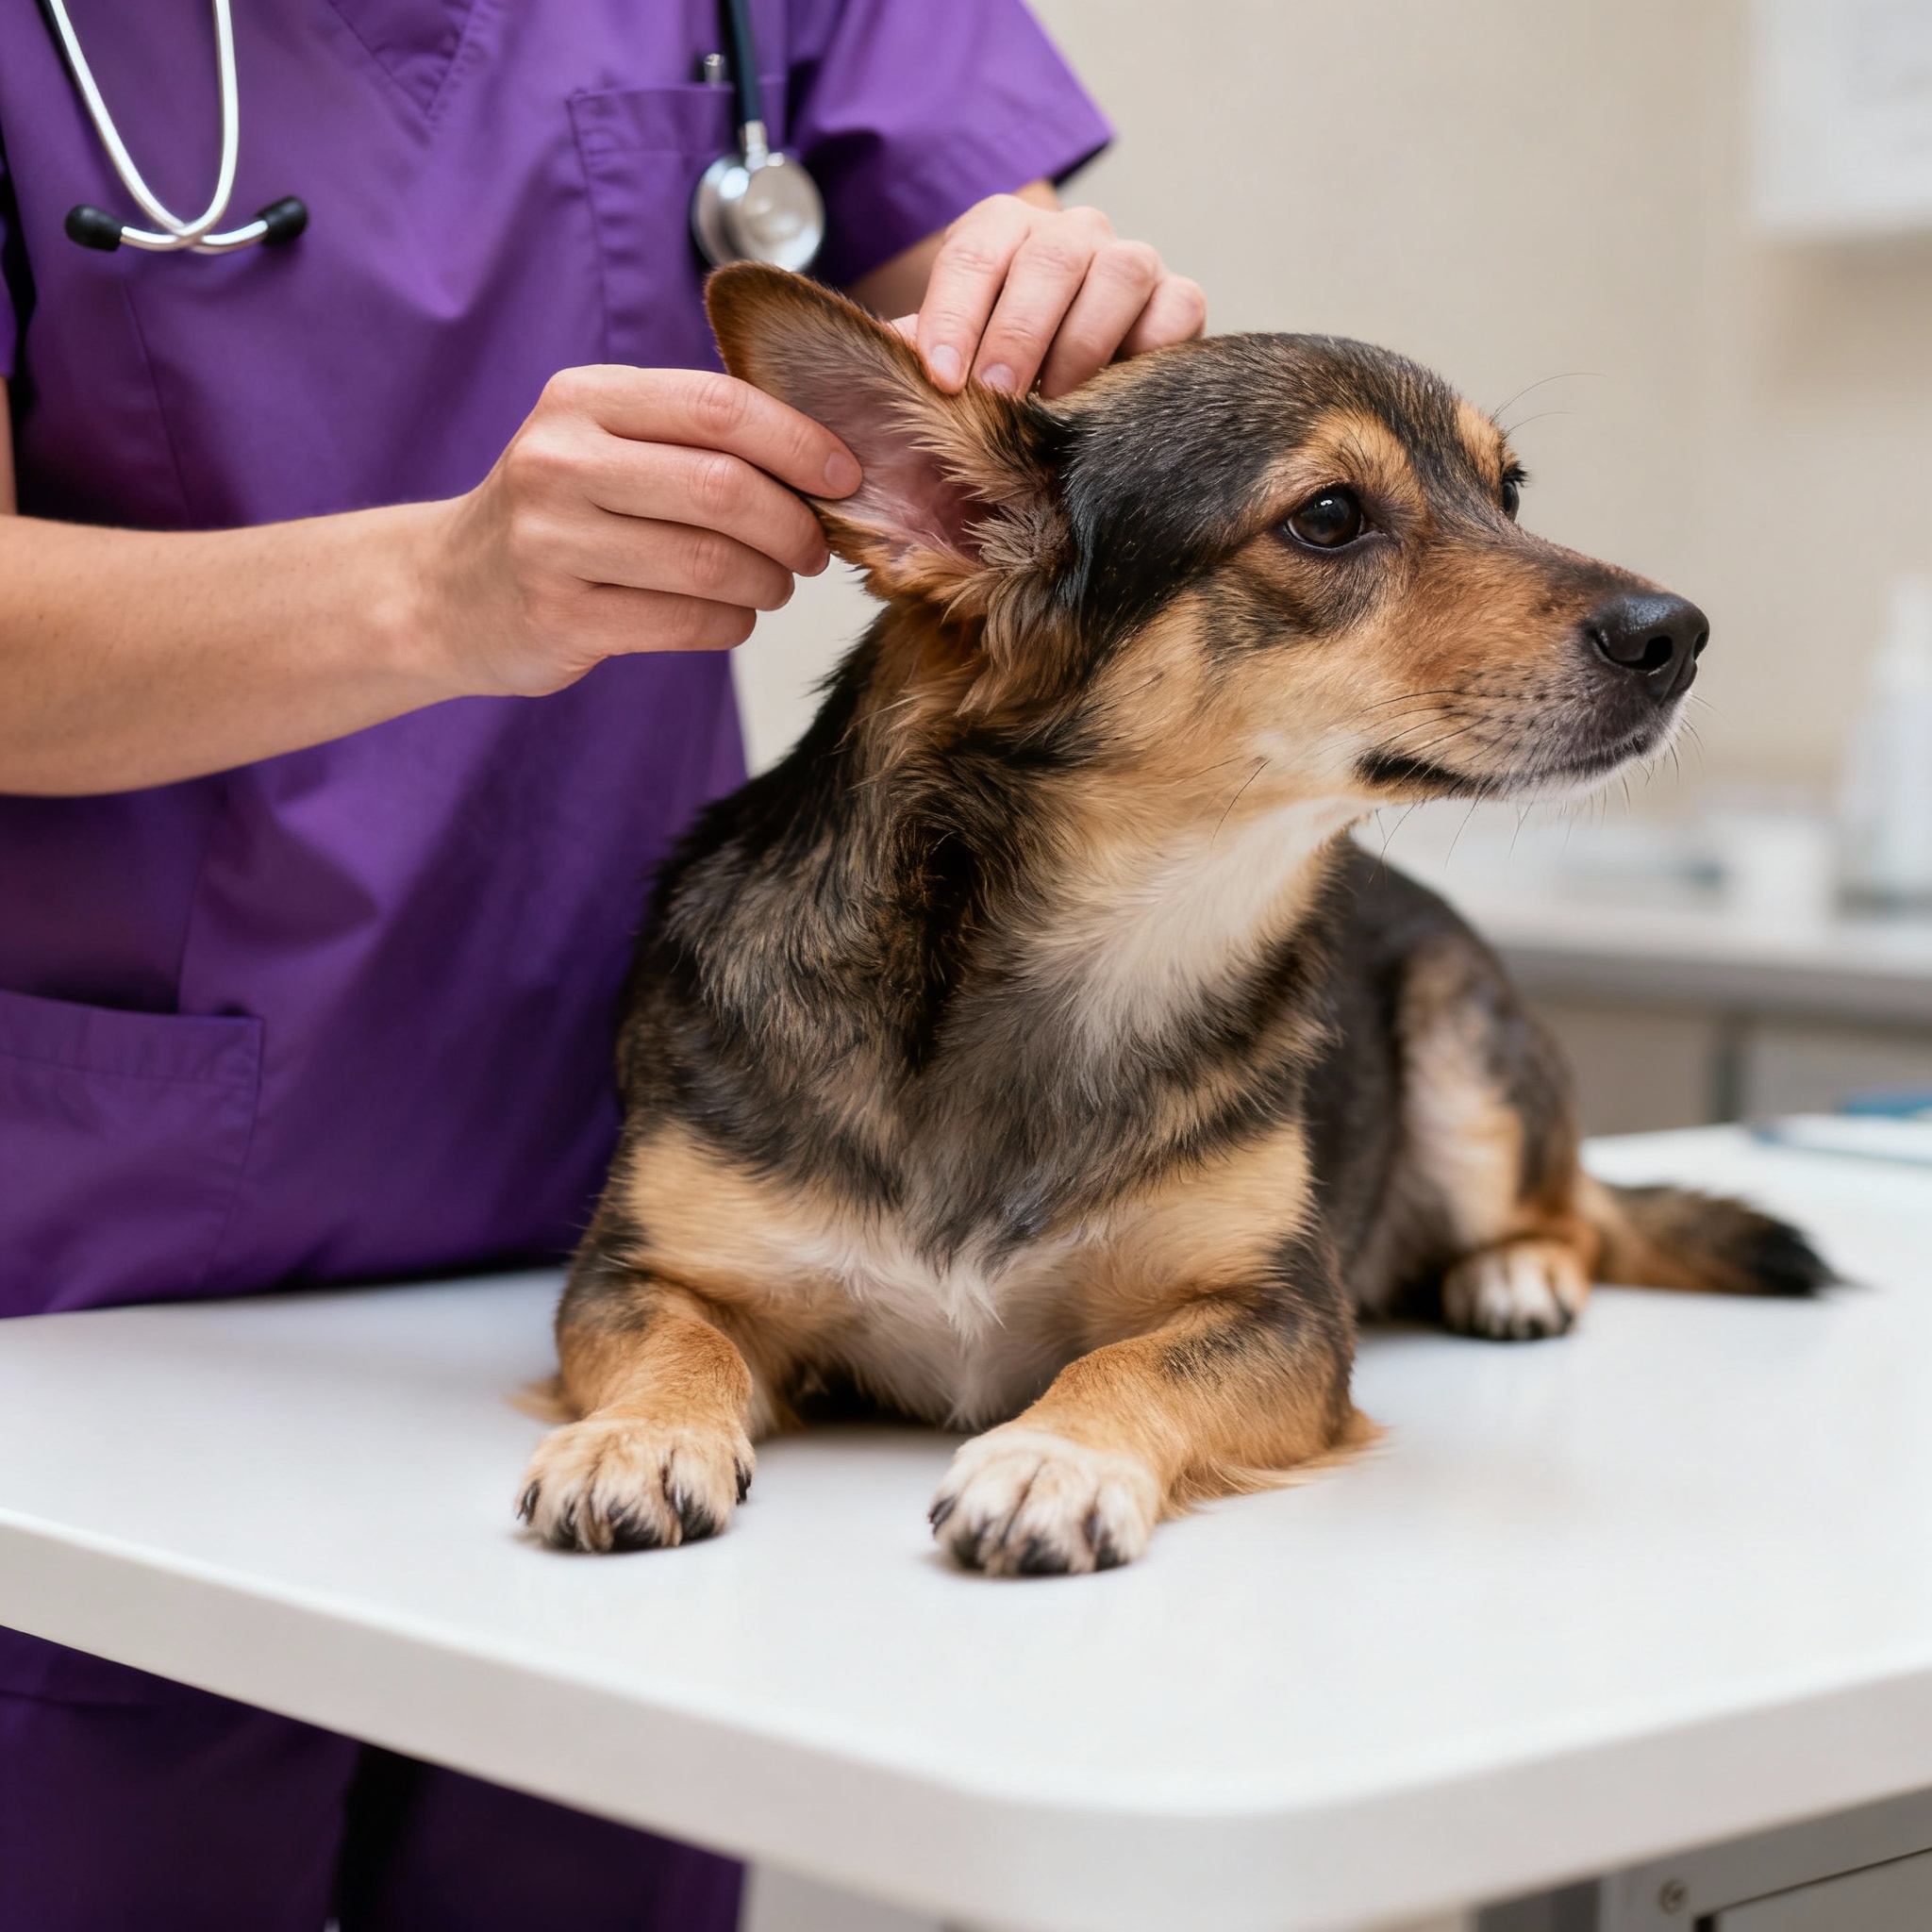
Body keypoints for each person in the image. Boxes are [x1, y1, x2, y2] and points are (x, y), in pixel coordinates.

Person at [0, 3, 1205, 1927]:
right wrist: (439, 591)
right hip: (119, 1280)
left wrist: (1080, 336)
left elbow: (990, 432)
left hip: (673, 1244)